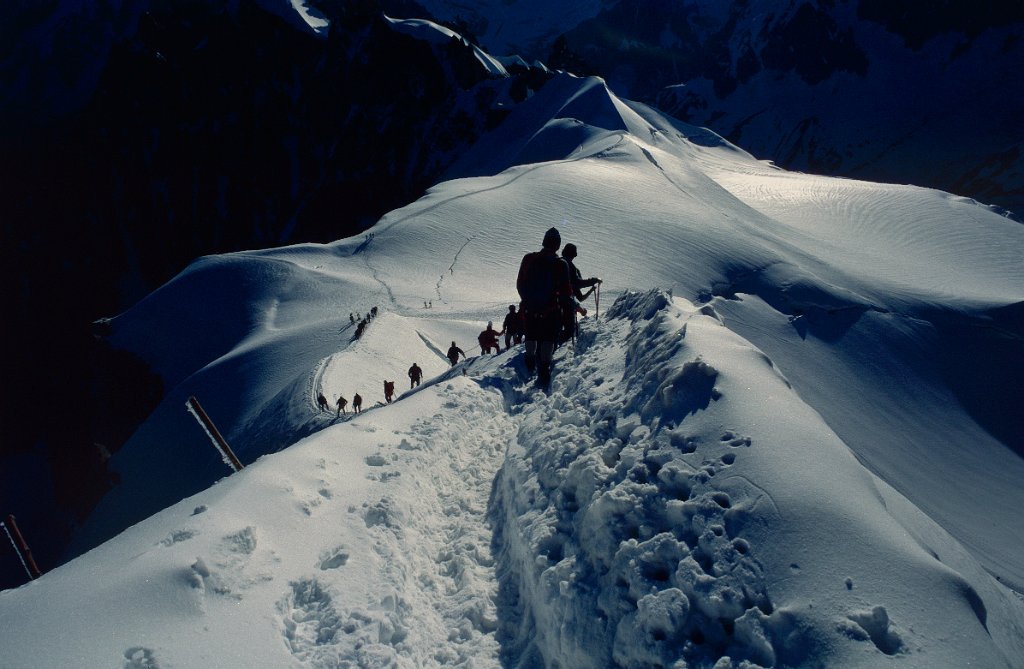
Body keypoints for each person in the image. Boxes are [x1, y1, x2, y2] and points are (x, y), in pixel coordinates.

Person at [517, 227, 573, 387]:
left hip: (529, 308)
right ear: (558, 245)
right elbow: (565, 292)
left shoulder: (529, 258)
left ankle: (529, 362)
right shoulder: (561, 264)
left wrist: (527, 301)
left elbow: (520, 283)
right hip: (550, 311)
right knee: (548, 339)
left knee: (531, 335)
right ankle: (544, 369)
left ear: (544, 242)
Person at [560, 243, 602, 344]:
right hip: (565, 304)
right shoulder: (571, 268)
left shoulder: (555, 262)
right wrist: (594, 281)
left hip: (548, 302)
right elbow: (579, 291)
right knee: (569, 330)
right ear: (574, 254)